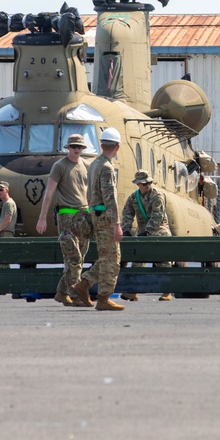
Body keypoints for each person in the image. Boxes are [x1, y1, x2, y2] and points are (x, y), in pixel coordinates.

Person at [36, 133, 92, 307]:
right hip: (67, 215)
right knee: (73, 257)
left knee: (79, 258)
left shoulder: (86, 166)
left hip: (84, 215)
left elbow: (90, 192)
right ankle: (76, 296)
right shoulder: (59, 166)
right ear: (68, 148)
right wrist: (42, 218)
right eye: (73, 147)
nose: (76, 150)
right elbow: (49, 193)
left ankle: (62, 293)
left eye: (79, 147)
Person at [72, 128, 125, 311]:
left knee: (105, 257)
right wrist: (117, 224)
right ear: (117, 147)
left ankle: (83, 285)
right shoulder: (107, 168)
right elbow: (109, 197)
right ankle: (104, 298)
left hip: (96, 214)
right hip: (105, 218)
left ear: (102, 145)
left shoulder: (94, 164)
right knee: (112, 259)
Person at [121, 169, 173, 301]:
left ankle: (167, 291)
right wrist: (126, 230)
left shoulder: (157, 196)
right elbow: (127, 214)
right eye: (143, 184)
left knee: (162, 261)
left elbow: (157, 216)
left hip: (158, 231)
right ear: (138, 184)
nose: (146, 186)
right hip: (142, 231)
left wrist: (148, 231)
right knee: (137, 261)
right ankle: (134, 290)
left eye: (148, 183)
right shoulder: (134, 197)